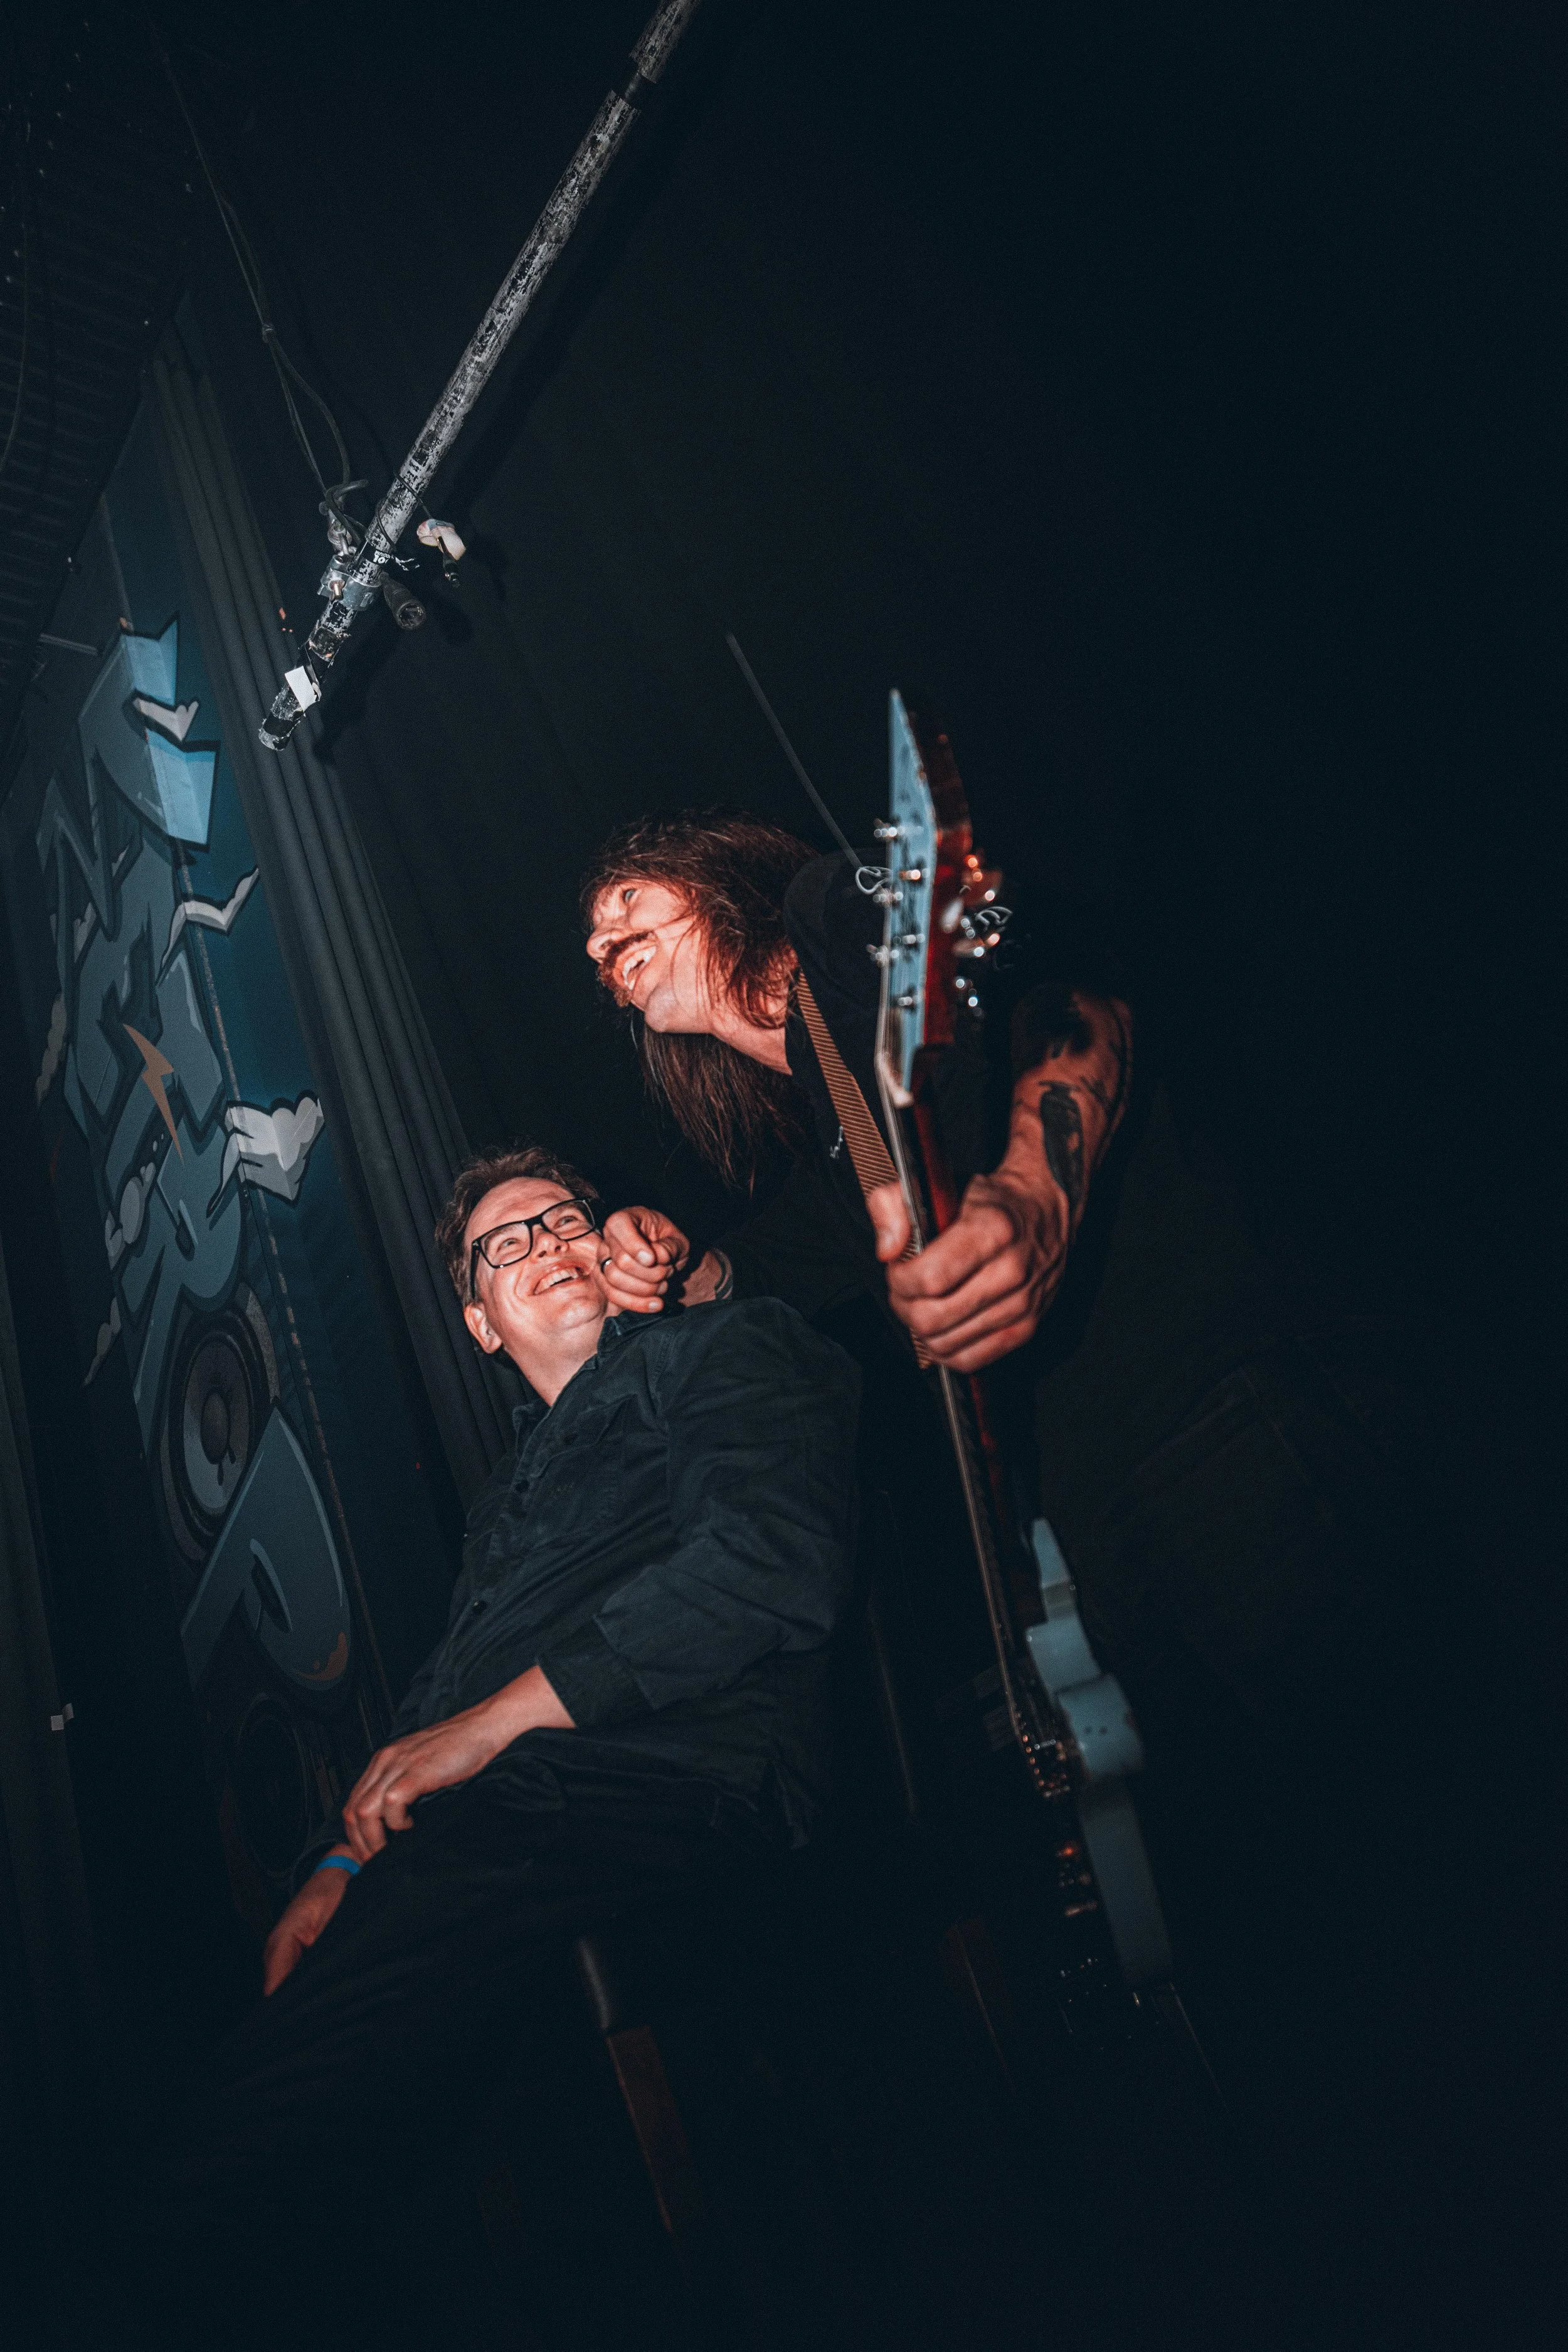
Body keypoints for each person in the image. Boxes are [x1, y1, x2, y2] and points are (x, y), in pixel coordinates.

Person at [578, 810, 1468, 2337]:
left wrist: (1036, 1197)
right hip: (1102, 1521)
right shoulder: (826, 1118)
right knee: (1336, 1930)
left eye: (622, 906)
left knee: (1447, 1833)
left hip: (1223, 1407)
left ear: (715, 879)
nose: (602, 950)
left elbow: (1076, 1004)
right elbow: (786, 1259)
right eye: (590, 954)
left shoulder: (840, 913)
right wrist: (672, 1257)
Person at [141, 1144, 859, 2349]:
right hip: (524, 1818)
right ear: (480, 1324)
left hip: (679, 1780)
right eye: (506, 1243)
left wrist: (488, 1731)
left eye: (565, 1217)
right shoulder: (511, 1499)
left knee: (241, 2167)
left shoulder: (731, 1346)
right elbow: (439, 1698)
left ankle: (161, 2249)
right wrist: (336, 1866)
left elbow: (771, 1566)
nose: (548, 1245)